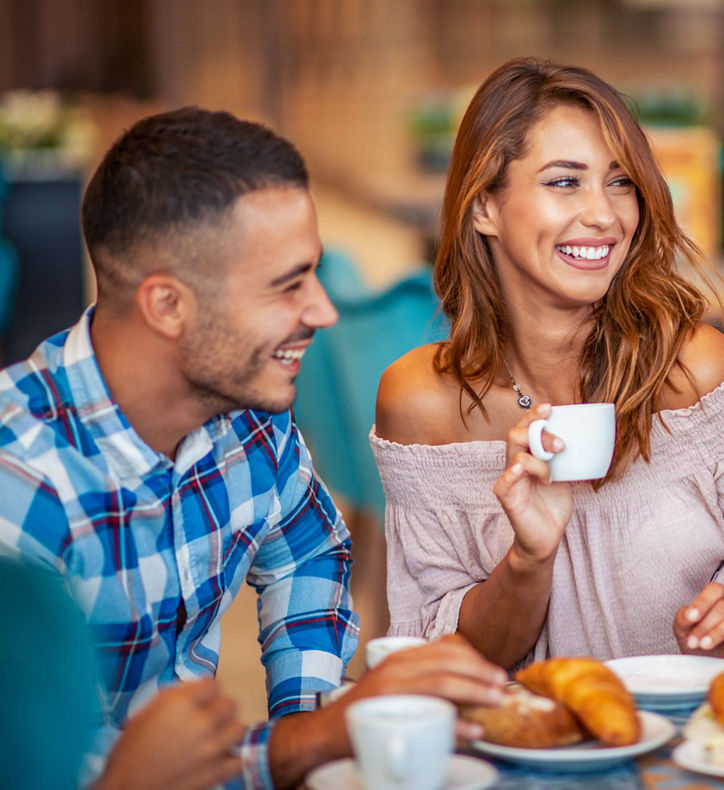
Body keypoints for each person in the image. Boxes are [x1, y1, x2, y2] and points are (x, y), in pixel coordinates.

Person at [0, 107, 507, 790]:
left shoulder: (243, 412)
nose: (325, 311)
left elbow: (309, 548)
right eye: (287, 284)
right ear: (168, 305)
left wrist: (312, 717)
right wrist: (309, 740)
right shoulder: (20, 484)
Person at [373, 57, 724, 670]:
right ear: (484, 206)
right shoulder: (422, 402)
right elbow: (447, 661)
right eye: (565, 181)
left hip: (703, 744)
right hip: (521, 755)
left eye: (620, 182)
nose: (605, 214)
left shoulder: (699, 373)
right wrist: (528, 561)